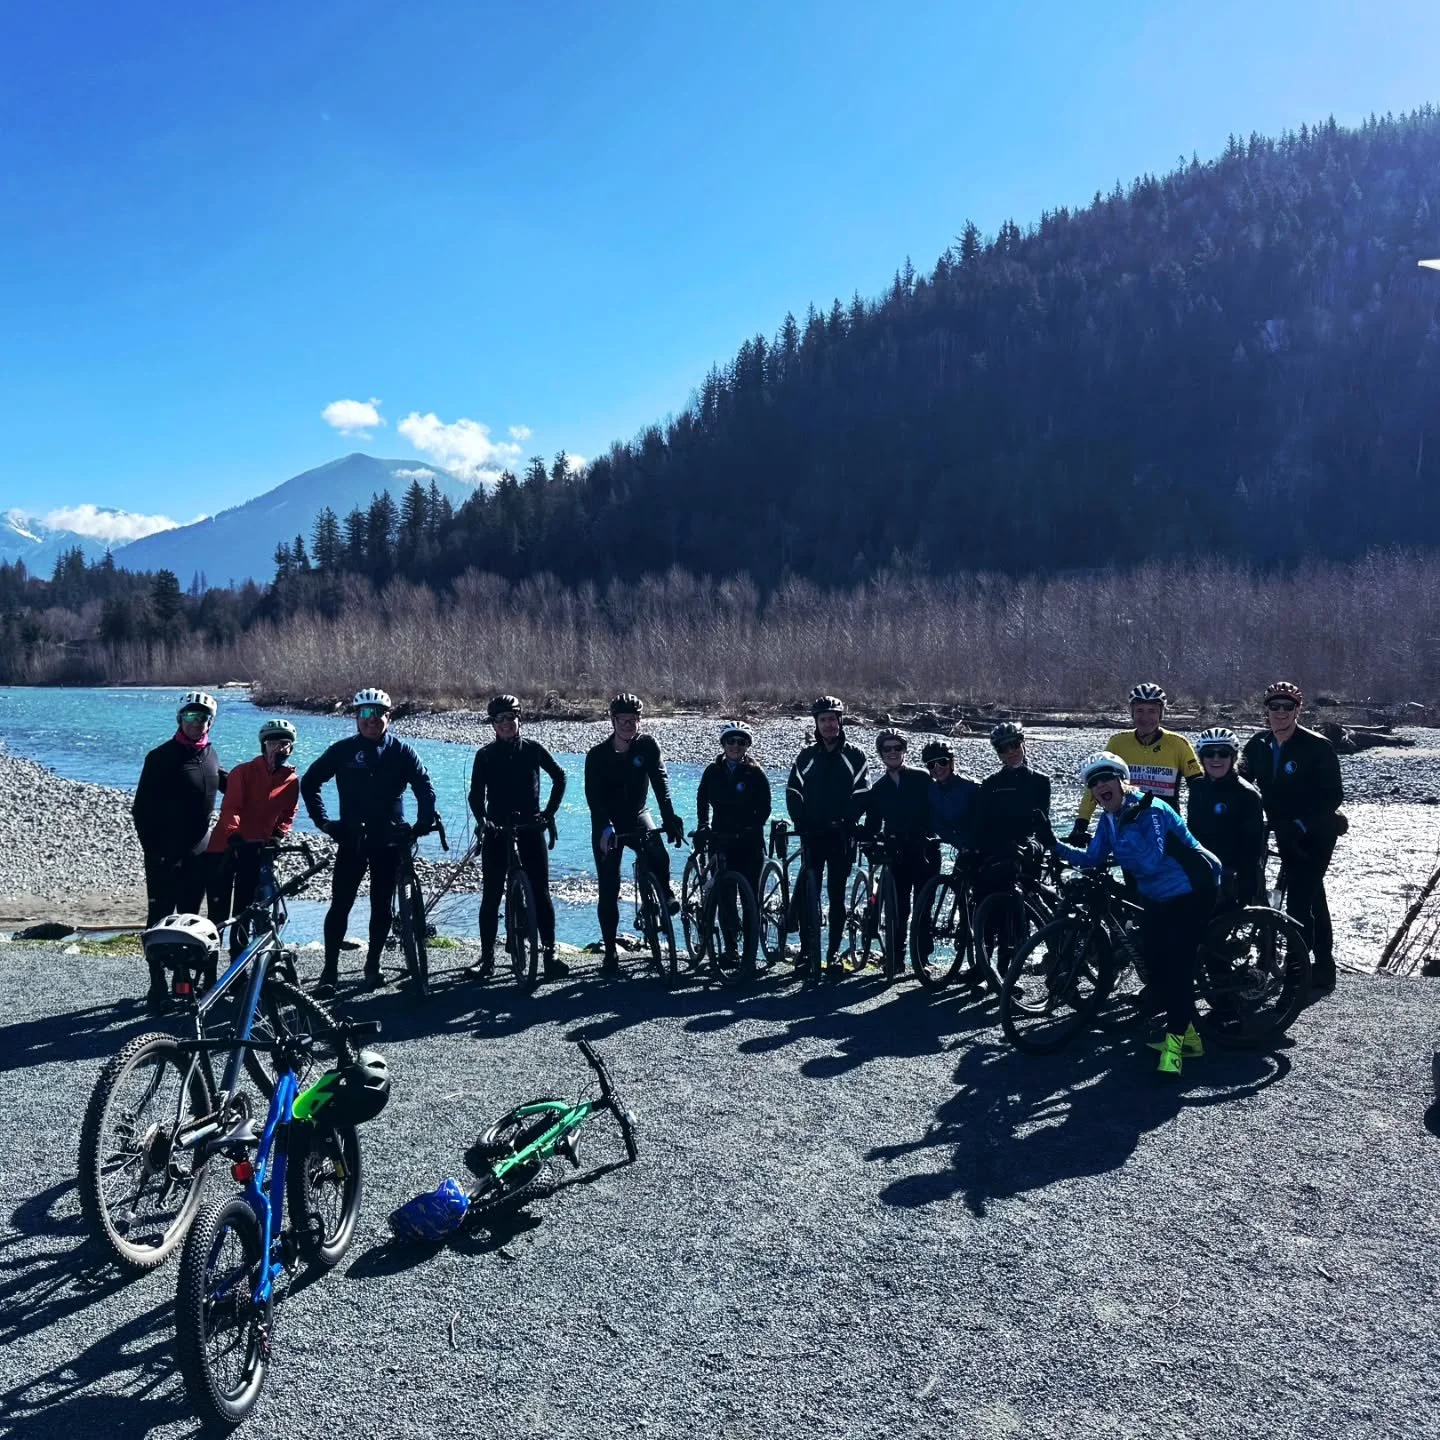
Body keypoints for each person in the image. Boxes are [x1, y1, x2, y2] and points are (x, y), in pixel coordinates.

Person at [1039, 751, 1222, 1076]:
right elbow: (1093, 857)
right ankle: (1191, 1037)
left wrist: (1124, 832)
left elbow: (1151, 859)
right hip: (1156, 895)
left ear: (1122, 781)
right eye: (1093, 783)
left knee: (1174, 968)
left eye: (1106, 778)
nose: (1100, 786)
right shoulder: (1110, 818)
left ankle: (1176, 1048)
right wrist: (1052, 843)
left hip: (1193, 888)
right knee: (1152, 963)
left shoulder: (1150, 809)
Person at [301, 688, 437, 996]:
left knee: (381, 908)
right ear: (356, 718)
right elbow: (309, 783)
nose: (371, 720)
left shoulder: (402, 751)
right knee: (341, 905)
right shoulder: (343, 750)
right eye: (364, 714)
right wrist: (324, 822)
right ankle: (329, 970)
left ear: (389, 717)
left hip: (389, 840)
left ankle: (372, 966)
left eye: (378, 714)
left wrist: (425, 818)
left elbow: (424, 786)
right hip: (352, 838)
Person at [1240, 681, 1345, 994]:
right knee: (1312, 895)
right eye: (1275, 706)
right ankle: (1321, 965)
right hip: (1279, 828)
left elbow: (1333, 797)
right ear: (1267, 710)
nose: (1281, 712)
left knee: (1302, 898)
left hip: (1315, 830)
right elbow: (1241, 783)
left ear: (1299, 710)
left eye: (1288, 707)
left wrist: (1299, 824)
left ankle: (1303, 969)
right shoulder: (1257, 745)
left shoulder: (1317, 746)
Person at [132, 690, 227, 1010]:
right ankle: (156, 986)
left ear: (210, 723)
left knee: (190, 921)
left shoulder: (211, 754)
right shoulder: (159, 757)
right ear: (179, 719)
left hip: (197, 853)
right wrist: (155, 851)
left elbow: (230, 785)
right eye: (190, 717)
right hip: (163, 854)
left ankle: (185, 983)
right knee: (159, 921)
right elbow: (140, 811)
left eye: (202, 718)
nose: (196, 723)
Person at [464, 694, 568, 982]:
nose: (507, 724)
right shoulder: (484, 756)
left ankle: (550, 954)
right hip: (497, 830)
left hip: (530, 827)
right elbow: (475, 795)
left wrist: (549, 812)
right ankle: (487, 960)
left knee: (541, 893)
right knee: (491, 896)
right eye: (500, 720)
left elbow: (559, 777)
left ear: (519, 719)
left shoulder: (533, 750)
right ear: (493, 725)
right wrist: (482, 820)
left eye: (511, 717)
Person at [584, 694, 685, 975]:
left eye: (634, 720)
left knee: (658, 852)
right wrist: (605, 828)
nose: (629, 725)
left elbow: (660, 783)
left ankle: (663, 893)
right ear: (613, 721)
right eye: (623, 720)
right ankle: (610, 952)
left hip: (638, 813)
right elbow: (594, 799)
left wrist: (670, 817)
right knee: (609, 887)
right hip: (608, 822)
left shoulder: (648, 746)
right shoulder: (597, 756)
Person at [205, 718, 301, 975]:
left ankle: (238, 973)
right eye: (273, 743)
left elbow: (289, 811)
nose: (279, 749)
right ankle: (209, 973)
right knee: (219, 915)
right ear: (263, 746)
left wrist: (278, 834)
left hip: (257, 851)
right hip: (224, 849)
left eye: (285, 744)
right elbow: (231, 808)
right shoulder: (243, 772)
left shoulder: (291, 779)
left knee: (245, 913)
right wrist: (234, 835)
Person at [785, 696, 870, 967]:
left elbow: (863, 792)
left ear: (840, 721)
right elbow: (792, 791)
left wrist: (849, 819)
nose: (828, 725)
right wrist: (799, 820)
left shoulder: (855, 755)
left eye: (832, 719)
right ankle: (808, 951)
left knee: (836, 896)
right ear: (816, 724)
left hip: (841, 836)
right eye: (823, 720)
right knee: (810, 895)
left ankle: (833, 953)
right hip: (813, 833)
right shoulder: (807, 756)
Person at [1068, 683, 1202, 843]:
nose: (1145, 718)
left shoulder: (1179, 744)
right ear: (1132, 712)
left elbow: (1201, 789)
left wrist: (1200, 827)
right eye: (1140, 711)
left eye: (1152, 711)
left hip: (1165, 829)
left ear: (1161, 714)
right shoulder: (1117, 743)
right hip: (1127, 829)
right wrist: (1081, 824)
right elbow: (1095, 785)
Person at [856, 728, 939, 970]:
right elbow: (873, 823)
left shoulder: (923, 778)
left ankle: (922, 959)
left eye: (897, 748)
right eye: (887, 749)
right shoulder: (878, 788)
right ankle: (896, 959)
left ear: (904, 750)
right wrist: (862, 835)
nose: (892, 752)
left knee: (924, 908)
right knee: (899, 911)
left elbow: (940, 807)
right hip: (896, 853)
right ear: (880, 753)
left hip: (925, 850)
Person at [1186, 727, 1266, 908]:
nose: (1216, 759)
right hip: (1201, 869)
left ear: (1233, 758)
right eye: (1209, 754)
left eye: (1223, 753)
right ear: (1201, 758)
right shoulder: (1197, 787)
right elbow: (1191, 833)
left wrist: (1247, 888)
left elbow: (1252, 849)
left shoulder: (1247, 794)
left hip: (1231, 875)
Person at [694, 724, 772, 899]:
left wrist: (754, 826)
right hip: (720, 836)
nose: (735, 746)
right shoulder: (712, 771)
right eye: (731, 741)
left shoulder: (755, 772)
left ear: (747, 746)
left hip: (749, 840)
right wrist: (703, 824)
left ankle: (752, 925)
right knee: (725, 898)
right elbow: (702, 799)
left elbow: (765, 806)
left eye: (741, 742)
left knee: (750, 898)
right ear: (723, 744)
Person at [975, 722, 1052, 859]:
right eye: (1003, 749)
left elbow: (1042, 825)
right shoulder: (989, 783)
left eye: (1015, 745)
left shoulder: (1041, 781)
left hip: (1028, 849)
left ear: (1023, 744)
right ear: (998, 754)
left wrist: (1034, 846)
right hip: (996, 849)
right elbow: (981, 823)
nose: (1010, 752)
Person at [921, 739, 980, 851]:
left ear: (952, 762)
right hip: (963, 849)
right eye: (931, 765)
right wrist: (958, 843)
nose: (937, 768)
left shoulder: (973, 787)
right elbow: (938, 824)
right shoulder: (932, 791)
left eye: (942, 762)